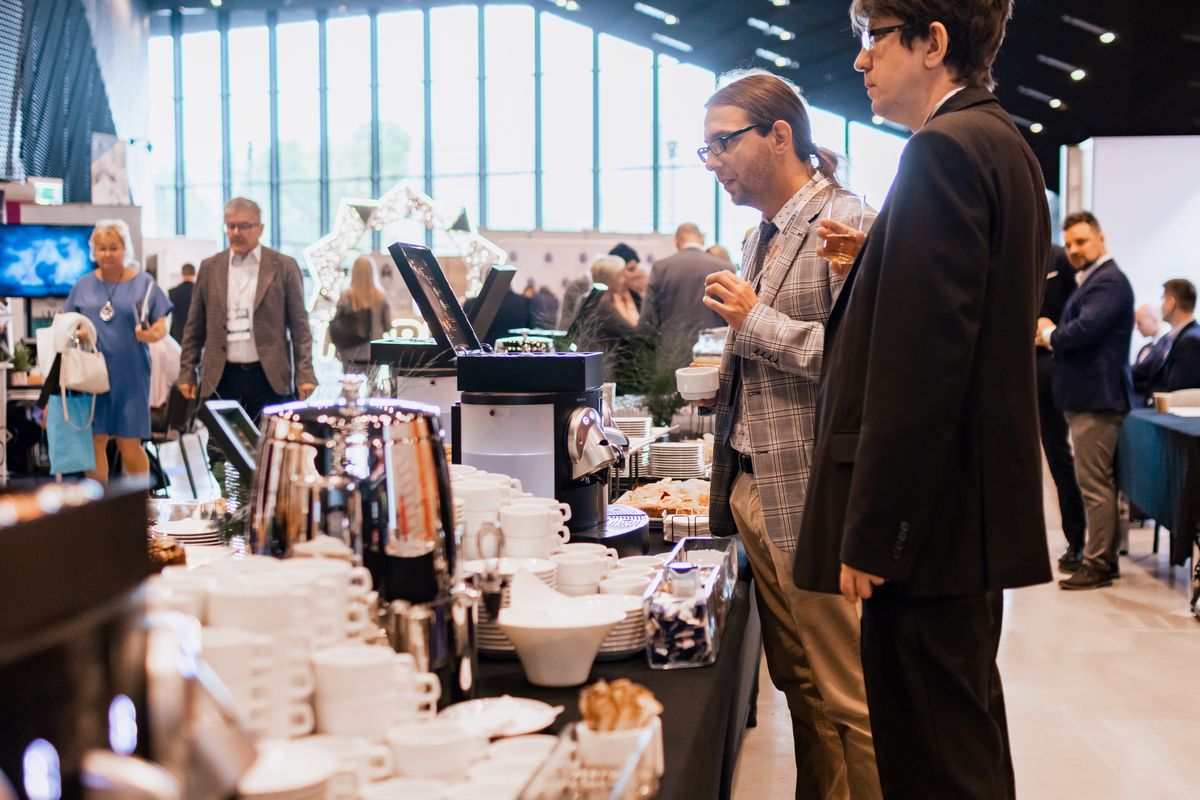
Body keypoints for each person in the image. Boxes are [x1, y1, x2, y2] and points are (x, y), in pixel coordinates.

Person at [796, 2, 1052, 796]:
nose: (860, 60)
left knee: (935, 765)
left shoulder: (941, 150)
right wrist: (881, 258)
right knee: (964, 747)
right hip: (964, 519)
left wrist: (877, 533)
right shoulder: (999, 142)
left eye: (873, 38)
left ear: (933, 42)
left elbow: (924, 370)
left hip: (927, 531)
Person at [699, 70, 881, 799]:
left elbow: (865, 363)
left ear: (780, 135)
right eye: (705, 149)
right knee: (799, 686)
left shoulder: (847, 223)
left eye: (723, 143)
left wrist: (754, 322)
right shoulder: (761, 236)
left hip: (816, 495)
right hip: (756, 484)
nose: (713, 162)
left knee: (850, 696)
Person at [1037, 211, 1133, 590]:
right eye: (1070, 244)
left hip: (1097, 397)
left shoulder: (1108, 281)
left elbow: (1083, 329)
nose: (1074, 250)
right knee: (1095, 482)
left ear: (1100, 238)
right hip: (1089, 396)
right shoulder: (1094, 279)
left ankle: (1098, 564)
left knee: (1094, 485)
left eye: (1081, 241)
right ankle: (1101, 558)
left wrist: (1049, 333)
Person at [178, 197, 316, 422]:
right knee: (219, 442)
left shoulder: (283, 266)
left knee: (267, 441)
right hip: (221, 375)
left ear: (260, 228)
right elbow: (194, 327)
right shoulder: (210, 267)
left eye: (244, 226)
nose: (236, 232)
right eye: (231, 226)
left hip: (269, 376)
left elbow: (300, 328)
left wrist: (305, 373)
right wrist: (187, 372)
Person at [66, 219, 172, 482]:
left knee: (129, 442)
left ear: (125, 249)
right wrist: (78, 332)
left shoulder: (144, 283)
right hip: (92, 374)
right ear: (94, 251)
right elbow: (69, 324)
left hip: (131, 373)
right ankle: (99, 502)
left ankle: (141, 501)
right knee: (95, 440)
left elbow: (161, 325)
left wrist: (149, 334)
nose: (107, 254)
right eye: (101, 248)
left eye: (113, 248)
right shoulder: (82, 285)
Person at [1038, 245, 1087, 571]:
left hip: (1052, 368)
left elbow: (1078, 313)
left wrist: (1048, 332)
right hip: (1015, 370)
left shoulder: (1058, 259)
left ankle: (1077, 539)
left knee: (1059, 455)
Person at [638, 223, 725, 372]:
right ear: (701, 239)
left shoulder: (661, 268)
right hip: (713, 354)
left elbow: (647, 319)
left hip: (671, 354)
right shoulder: (723, 267)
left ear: (676, 241)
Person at [575, 255, 638, 383]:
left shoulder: (587, 298)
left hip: (591, 366)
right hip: (602, 370)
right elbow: (632, 333)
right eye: (620, 276)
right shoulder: (603, 305)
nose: (623, 280)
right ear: (610, 279)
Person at [331, 255, 391, 372]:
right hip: (374, 352)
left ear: (353, 271)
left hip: (349, 351)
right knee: (373, 384)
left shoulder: (346, 295)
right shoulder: (381, 297)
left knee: (350, 383)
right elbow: (387, 326)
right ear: (372, 272)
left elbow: (337, 322)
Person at [1152, 279, 1200, 394]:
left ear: (1171, 303)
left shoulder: (1190, 341)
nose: (1161, 306)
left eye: (1163, 300)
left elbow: (1179, 392)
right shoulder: (1183, 336)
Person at [1131, 301, 1170, 406]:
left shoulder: (1168, 345)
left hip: (1151, 403)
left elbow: (1145, 372)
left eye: (1139, 323)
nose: (1137, 327)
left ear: (1154, 320)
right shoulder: (1145, 348)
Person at [609, 242, 645, 311]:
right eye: (631, 269)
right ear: (615, 273)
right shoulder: (604, 302)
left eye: (637, 268)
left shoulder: (636, 298)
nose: (637, 274)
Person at [168, 263, 196, 344]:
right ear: (195, 273)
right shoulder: (199, 292)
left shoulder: (172, 292)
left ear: (182, 274)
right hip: (195, 335)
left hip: (177, 335)